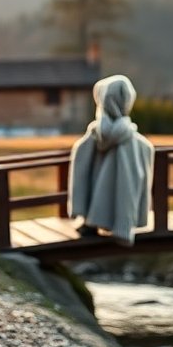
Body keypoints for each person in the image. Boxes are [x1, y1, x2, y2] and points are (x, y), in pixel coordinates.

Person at [68, 74, 154, 245]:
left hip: (93, 208)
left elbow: (81, 167)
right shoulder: (135, 141)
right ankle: (120, 220)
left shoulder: (94, 136)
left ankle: (91, 219)